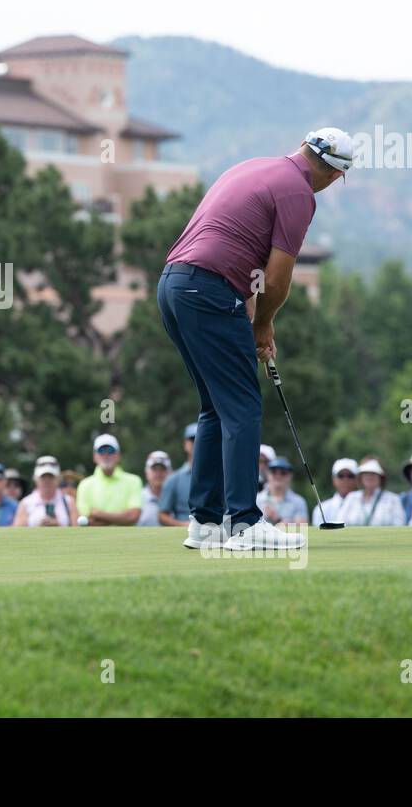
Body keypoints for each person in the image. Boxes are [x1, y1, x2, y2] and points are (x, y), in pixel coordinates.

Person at [157, 128, 352, 551]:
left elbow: (234, 247)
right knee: (243, 406)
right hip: (207, 290)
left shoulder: (251, 167)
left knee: (215, 406)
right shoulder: (300, 194)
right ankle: (245, 522)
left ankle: (205, 522)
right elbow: (279, 277)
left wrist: (249, 311)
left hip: (173, 286)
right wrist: (263, 325)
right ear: (335, 175)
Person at [76, 434, 143, 527]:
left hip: (126, 539)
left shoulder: (134, 481)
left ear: (118, 455)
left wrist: (99, 514)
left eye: (110, 450)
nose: (106, 455)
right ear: (94, 456)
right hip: (94, 540)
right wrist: (121, 518)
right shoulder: (84, 484)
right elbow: (86, 521)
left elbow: (133, 516)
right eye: (101, 451)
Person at [338, 458, 406, 527]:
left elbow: (400, 525)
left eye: (373, 474)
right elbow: (340, 522)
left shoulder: (393, 499)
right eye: (366, 474)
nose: (369, 477)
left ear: (380, 477)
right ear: (361, 477)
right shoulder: (351, 497)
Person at [15, 456, 77, 527]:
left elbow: (77, 531)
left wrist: (58, 525)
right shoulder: (25, 503)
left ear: (58, 478)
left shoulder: (69, 502)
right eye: (43, 477)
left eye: (51, 477)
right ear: (35, 478)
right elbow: (18, 532)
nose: (47, 481)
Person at [159, 423, 196, 527]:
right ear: (186, 444)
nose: (196, 443)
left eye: (201, 439)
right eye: (192, 440)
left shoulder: (222, 477)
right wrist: (183, 525)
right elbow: (162, 515)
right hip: (183, 535)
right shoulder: (174, 479)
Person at [256, 457, 308, 525]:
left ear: (290, 476)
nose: (278, 475)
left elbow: (302, 529)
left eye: (283, 472)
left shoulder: (299, 502)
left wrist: (278, 520)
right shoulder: (256, 500)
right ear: (267, 474)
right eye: (274, 471)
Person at [313, 458, 357, 526]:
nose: (345, 480)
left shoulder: (365, 506)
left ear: (356, 479)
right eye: (341, 476)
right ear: (334, 479)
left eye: (350, 476)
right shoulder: (322, 509)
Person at [139, 450, 171, 526]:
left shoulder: (178, 498)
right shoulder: (137, 497)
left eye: (162, 469)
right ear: (146, 472)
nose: (158, 473)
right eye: (154, 469)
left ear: (170, 472)